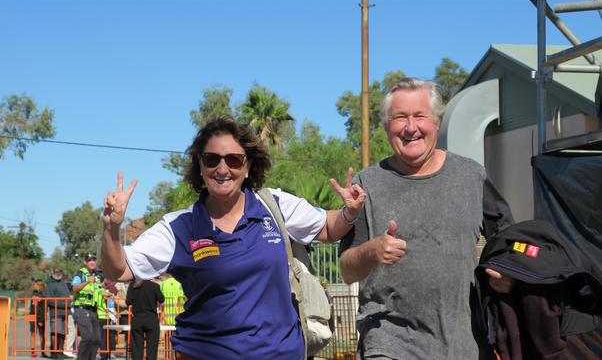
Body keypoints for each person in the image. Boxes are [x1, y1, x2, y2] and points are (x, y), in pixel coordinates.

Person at [100, 118, 366, 359]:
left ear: (248, 166)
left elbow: (329, 228)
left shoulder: (275, 206)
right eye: (212, 159)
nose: (222, 168)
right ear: (201, 167)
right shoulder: (178, 227)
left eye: (234, 160)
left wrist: (349, 213)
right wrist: (112, 229)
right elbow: (119, 269)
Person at [339, 77, 515, 360]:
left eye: (419, 116)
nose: (410, 128)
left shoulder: (472, 176)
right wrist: (372, 250)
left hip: (463, 344)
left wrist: (508, 277)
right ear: (386, 125)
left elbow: (508, 242)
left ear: (437, 121)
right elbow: (347, 270)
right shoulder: (367, 184)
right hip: (388, 342)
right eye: (400, 117)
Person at [71, 253, 104, 360]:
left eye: (94, 260)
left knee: (97, 339)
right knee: (88, 338)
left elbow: (98, 291)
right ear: (85, 262)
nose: (92, 262)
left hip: (93, 310)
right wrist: (87, 281)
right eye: (89, 260)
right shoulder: (80, 274)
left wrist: (107, 294)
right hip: (81, 309)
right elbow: (74, 288)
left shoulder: (97, 276)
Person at [125, 280, 164, 360]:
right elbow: (161, 299)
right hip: (151, 318)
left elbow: (128, 302)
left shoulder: (133, 285)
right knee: (152, 349)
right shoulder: (154, 285)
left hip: (137, 318)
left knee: (136, 349)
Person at [44, 267, 72, 359]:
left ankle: (60, 352)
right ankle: (54, 352)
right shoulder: (49, 285)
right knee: (55, 333)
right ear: (52, 273)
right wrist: (64, 303)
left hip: (65, 312)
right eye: (56, 271)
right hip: (55, 312)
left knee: (63, 333)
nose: (58, 273)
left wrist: (68, 303)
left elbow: (67, 297)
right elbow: (49, 300)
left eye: (60, 271)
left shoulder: (63, 284)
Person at [30, 279, 47, 358]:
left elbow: (44, 308)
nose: (34, 286)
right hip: (32, 315)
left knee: (42, 335)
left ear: (40, 286)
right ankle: (33, 351)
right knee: (33, 333)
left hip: (40, 316)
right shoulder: (33, 293)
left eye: (36, 284)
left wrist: (41, 319)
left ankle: (43, 352)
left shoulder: (44, 295)